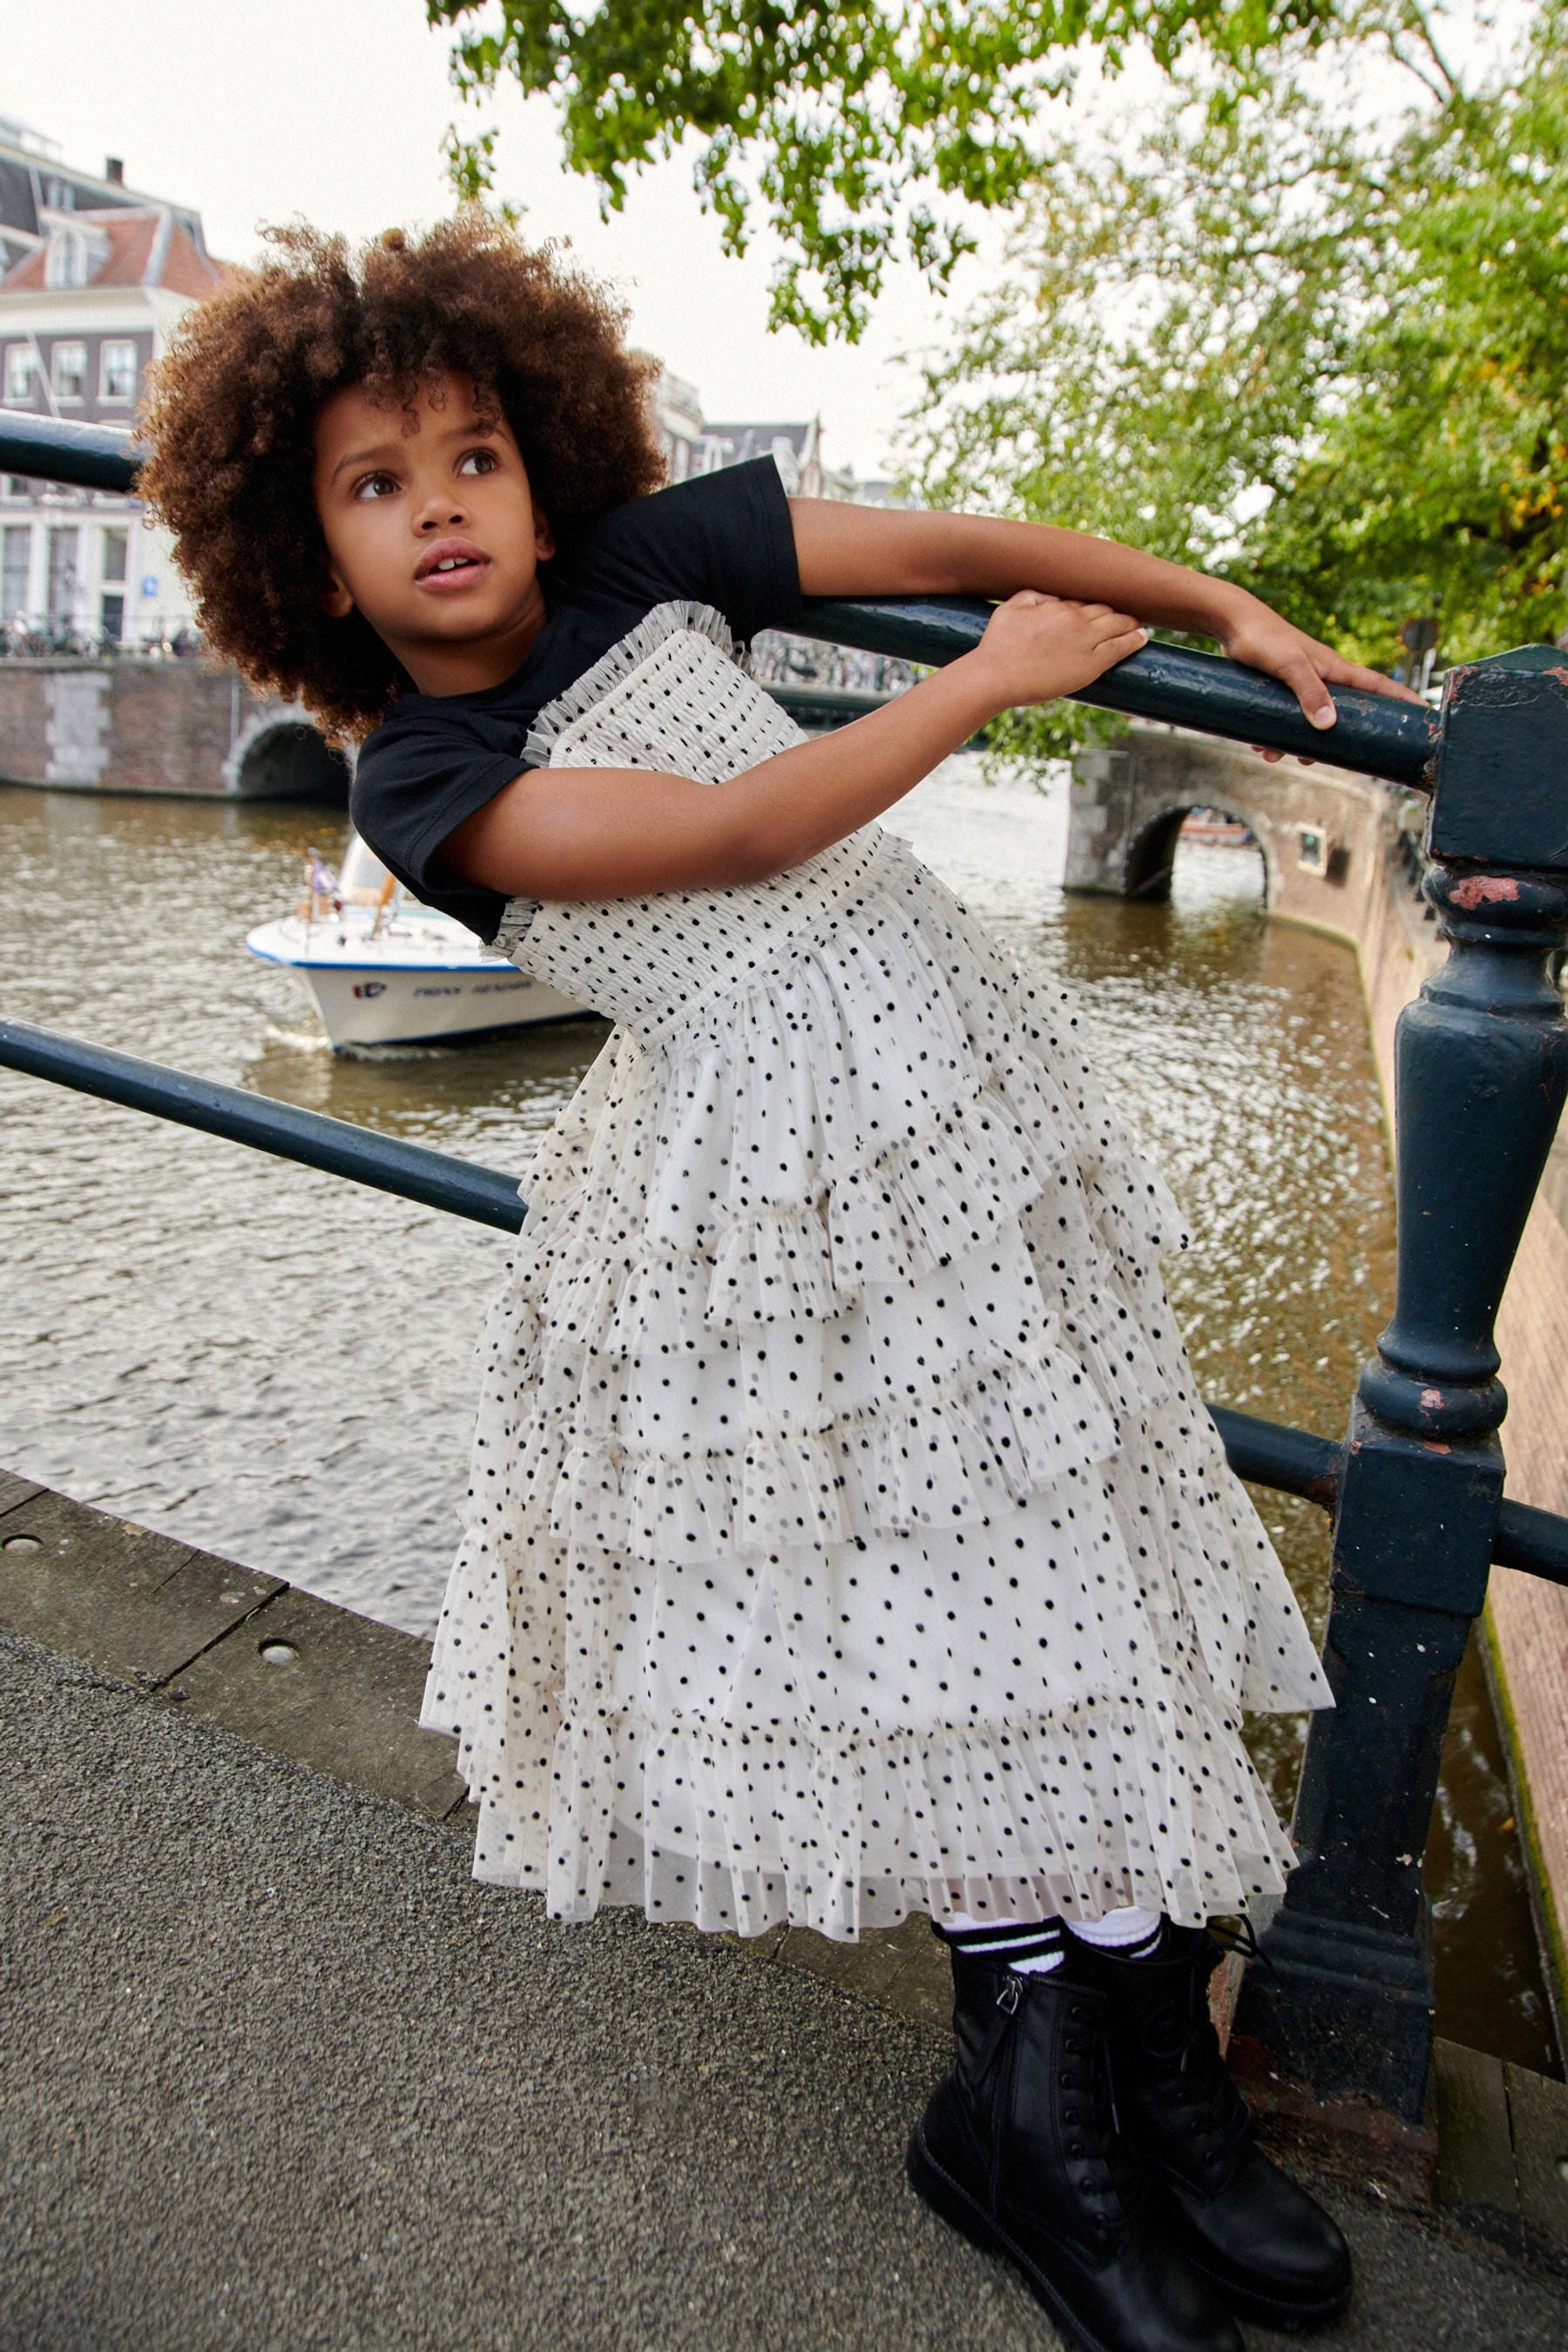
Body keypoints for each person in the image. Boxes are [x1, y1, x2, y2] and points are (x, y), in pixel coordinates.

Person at [141, 215, 1418, 2352]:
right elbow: (740, 834)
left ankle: (1134, 2073)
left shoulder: (650, 553)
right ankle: (1033, 2101)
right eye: (377, 484)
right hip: (768, 1178)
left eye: (474, 455)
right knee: (940, 1596)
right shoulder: (419, 777)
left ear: (545, 461)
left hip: (946, 1105)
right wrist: (992, 681)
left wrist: (1208, 603)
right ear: (305, 549)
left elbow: (957, 523)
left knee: (1064, 1549)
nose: (441, 506)